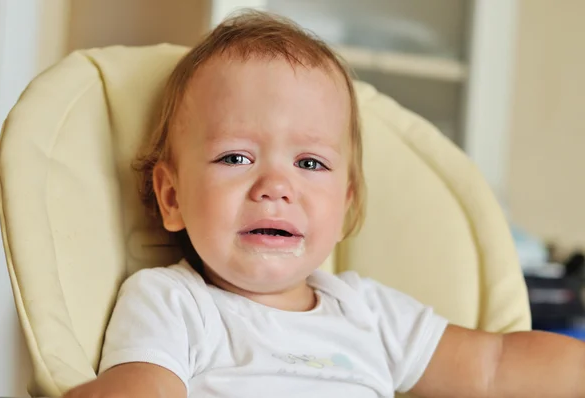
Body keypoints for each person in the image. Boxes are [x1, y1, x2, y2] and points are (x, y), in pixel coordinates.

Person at [65, 10, 585, 398]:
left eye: (310, 164)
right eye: (236, 157)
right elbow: (142, 386)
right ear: (172, 197)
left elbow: (493, 366)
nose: (275, 185)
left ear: (346, 206)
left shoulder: (369, 314)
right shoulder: (176, 303)